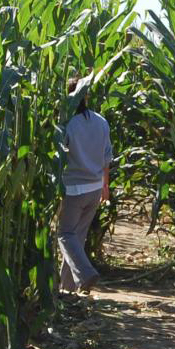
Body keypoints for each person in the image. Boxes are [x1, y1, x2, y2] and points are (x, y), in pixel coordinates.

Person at [57, 75, 112, 294]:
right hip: (95, 188)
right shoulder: (101, 121)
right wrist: (105, 186)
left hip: (74, 189)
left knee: (65, 234)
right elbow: (107, 157)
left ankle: (86, 273)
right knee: (77, 238)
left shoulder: (67, 124)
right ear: (85, 96)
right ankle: (68, 289)